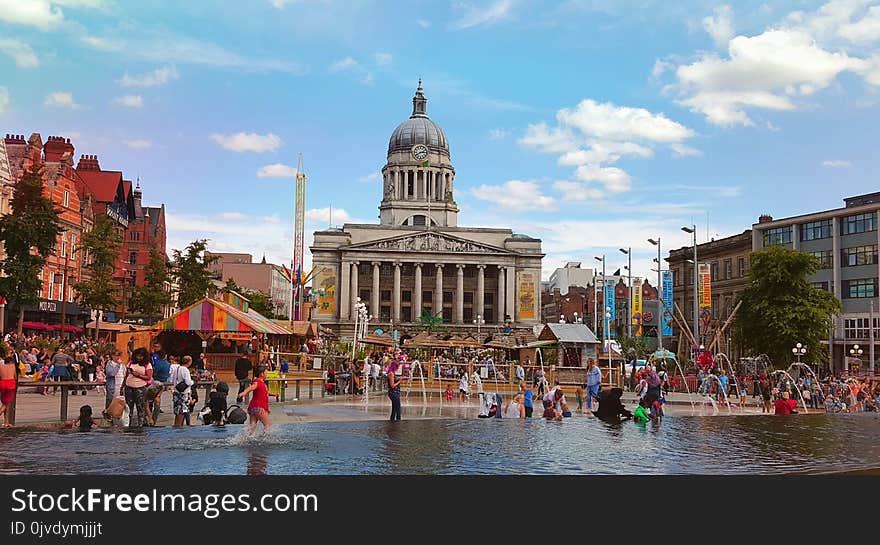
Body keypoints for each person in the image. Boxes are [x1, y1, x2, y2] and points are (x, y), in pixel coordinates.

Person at [124, 348, 153, 428]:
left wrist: (138, 375)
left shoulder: (147, 365)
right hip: (129, 386)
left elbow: (149, 377)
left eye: (141, 356)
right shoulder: (131, 363)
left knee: (140, 407)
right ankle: (128, 424)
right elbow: (126, 375)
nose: (139, 358)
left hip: (140, 387)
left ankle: (141, 424)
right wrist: (123, 385)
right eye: (137, 356)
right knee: (128, 408)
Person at [237, 365, 271, 434]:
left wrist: (274, 394)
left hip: (252, 408)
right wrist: (244, 392)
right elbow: (251, 388)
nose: (267, 374)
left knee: (252, 427)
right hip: (260, 408)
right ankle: (266, 439)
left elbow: (265, 392)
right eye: (266, 373)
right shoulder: (257, 382)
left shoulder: (261, 383)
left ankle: (246, 437)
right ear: (261, 374)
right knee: (267, 425)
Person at [171, 355, 195, 427]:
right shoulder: (185, 370)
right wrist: (193, 382)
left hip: (176, 391)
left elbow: (173, 380)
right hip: (183, 393)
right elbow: (188, 382)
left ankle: (177, 425)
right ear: (189, 362)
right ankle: (178, 426)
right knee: (182, 411)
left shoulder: (177, 368)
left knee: (177, 411)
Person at [0, 356, 17, 428]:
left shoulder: (1, 366)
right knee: (6, 404)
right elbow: (15, 376)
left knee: (5, 403)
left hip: (2, 383)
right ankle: (6, 422)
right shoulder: (12, 366)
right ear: (11, 362)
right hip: (10, 383)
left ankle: (6, 422)